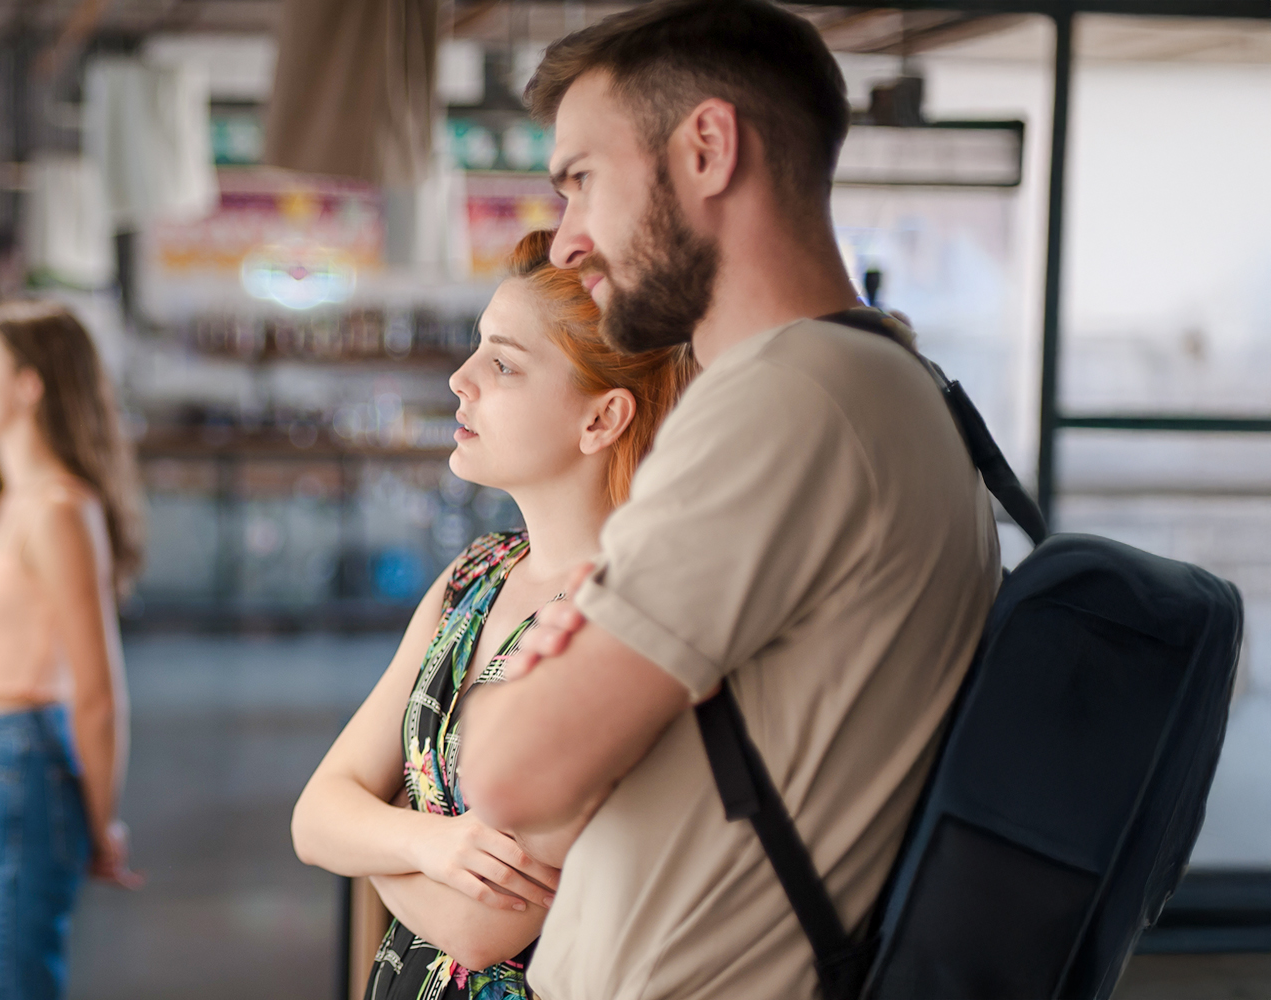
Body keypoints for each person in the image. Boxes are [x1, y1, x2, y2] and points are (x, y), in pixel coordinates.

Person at [456, 3, 1003, 999]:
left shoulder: (785, 396)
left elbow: (506, 775)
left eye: (581, 180)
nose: (568, 241)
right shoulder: (892, 381)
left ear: (706, 147)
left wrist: (525, 689)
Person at [291, 229, 695, 1000]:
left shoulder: (626, 619)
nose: (460, 379)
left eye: (504, 364)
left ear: (602, 419)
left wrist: (372, 833)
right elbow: (313, 815)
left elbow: (482, 930)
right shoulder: (475, 573)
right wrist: (433, 843)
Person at [0, 300, 145, 1000]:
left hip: (10, 769)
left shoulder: (59, 510)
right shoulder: (11, 496)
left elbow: (97, 690)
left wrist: (101, 820)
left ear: (31, 385)